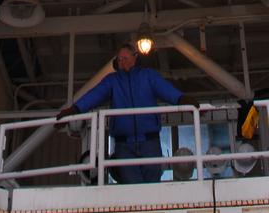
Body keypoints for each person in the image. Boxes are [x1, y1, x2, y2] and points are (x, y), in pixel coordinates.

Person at [57, 43, 187, 183]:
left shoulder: (148, 76)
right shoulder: (112, 81)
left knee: (153, 182)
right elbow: (94, 95)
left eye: (125, 58)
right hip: (124, 145)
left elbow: (166, 90)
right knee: (132, 186)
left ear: (135, 58)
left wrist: (182, 99)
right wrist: (75, 109)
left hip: (150, 141)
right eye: (119, 60)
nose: (122, 62)